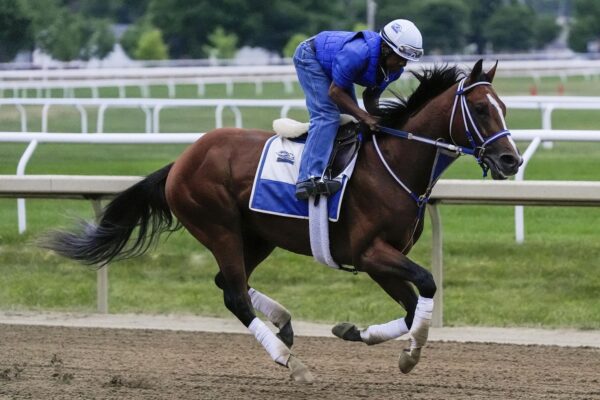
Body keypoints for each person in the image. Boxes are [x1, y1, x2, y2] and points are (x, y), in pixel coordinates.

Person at [293, 19, 424, 200]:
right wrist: (365, 117)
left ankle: (338, 170)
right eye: (401, 58)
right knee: (327, 116)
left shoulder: (394, 70)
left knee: (351, 121)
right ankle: (308, 178)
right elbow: (335, 92)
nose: (403, 64)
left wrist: (379, 120)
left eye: (407, 60)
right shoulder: (357, 53)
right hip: (310, 55)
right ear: (386, 49)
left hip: (335, 65)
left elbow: (371, 97)